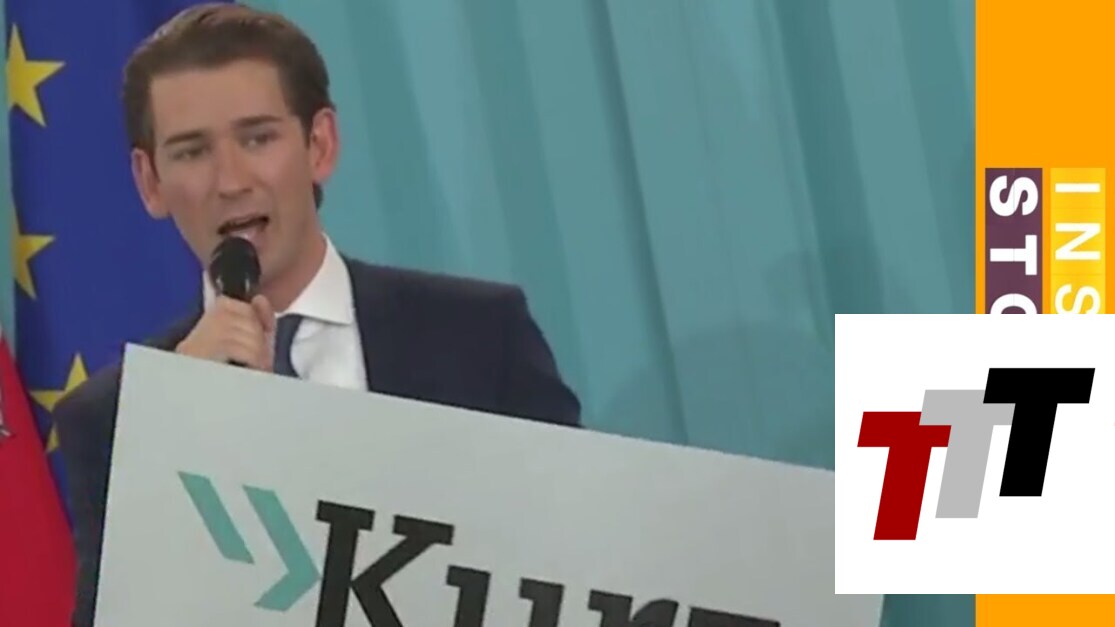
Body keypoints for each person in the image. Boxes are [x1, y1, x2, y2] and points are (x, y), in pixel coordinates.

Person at [51, 4, 581, 626]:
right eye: (192, 152)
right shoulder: (118, 418)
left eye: (257, 138)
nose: (230, 180)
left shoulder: (481, 336)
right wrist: (176, 419)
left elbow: (581, 565)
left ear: (320, 144)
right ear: (150, 182)